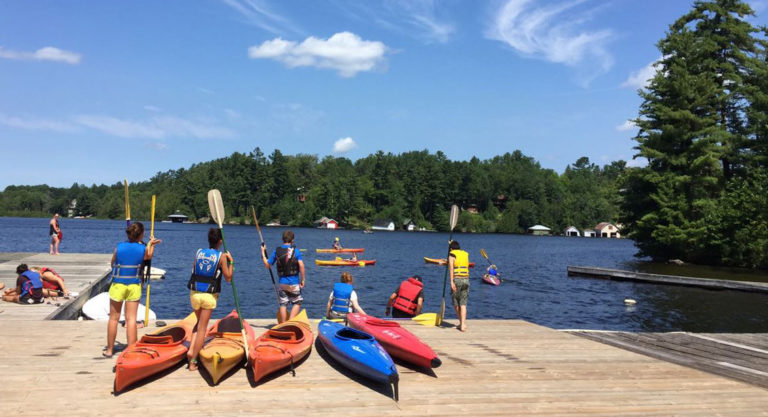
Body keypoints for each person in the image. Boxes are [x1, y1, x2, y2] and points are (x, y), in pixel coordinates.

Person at [103, 222, 161, 358]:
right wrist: (151, 244)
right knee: (131, 319)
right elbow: (149, 256)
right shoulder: (143, 249)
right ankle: (131, 349)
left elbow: (113, 263)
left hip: (118, 285)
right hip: (133, 285)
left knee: (113, 318)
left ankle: (109, 350)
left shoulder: (119, 247)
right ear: (141, 235)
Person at [186, 228, 233, 371]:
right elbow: (228, 277)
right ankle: (193, 361)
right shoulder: (221, 257)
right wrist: (231, 263)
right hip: (208, 296)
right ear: (220, 241)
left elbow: (195, 269)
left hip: (194, 294)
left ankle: (191, 350)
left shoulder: (199, 252)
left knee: (198, 324)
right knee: (202, 329)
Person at [262, 230, 306, 323]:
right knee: (297, 302)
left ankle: (283, 323)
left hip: (282, 283)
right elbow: (301, 265)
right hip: (294, 283)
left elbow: (267, 265)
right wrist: (303, 279)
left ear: (282, 239)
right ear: (292, 240)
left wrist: (263, 252)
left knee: (283, 304)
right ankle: (290, 321)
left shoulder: (277, 251)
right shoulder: (296, 251)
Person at [448, 240, 470, 331]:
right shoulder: (465, 254)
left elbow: (451, 269)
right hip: (466, 280)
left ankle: (461, 323)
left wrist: (451, 282)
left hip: (457, 280)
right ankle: (463, 324)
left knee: (456, 303)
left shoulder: (451, 255)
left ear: (451, 249)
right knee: (463, 303)